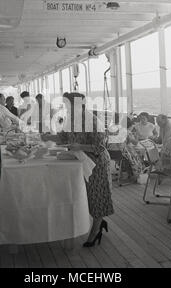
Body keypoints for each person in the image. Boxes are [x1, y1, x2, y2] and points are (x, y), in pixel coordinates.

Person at [42, 92, 114, 247]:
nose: (65, 108)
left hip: (97, 163)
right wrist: (47, 137)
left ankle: (95, 231)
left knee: (97, 197)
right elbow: (64, 138)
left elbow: (101, 147)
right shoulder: (72, 119)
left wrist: (80, 146)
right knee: (86, 195)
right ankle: (99, 223)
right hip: (82, 161)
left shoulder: (92, 121)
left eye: (68, 105)